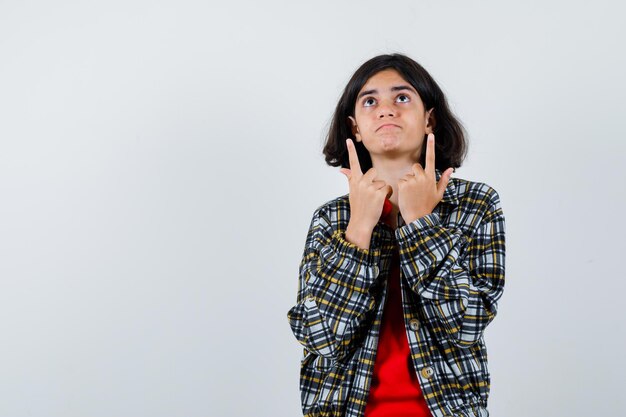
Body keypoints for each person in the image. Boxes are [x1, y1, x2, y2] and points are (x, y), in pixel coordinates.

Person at [286, 53, 506, 417]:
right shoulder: (331, 218)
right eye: (370, 101)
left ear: (429, 119)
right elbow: (319, 336)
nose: (386, 110)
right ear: (355, 128)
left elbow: (466, 326)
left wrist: (421, 223)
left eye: (401, 98)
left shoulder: (475, 204)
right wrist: (358, 229)